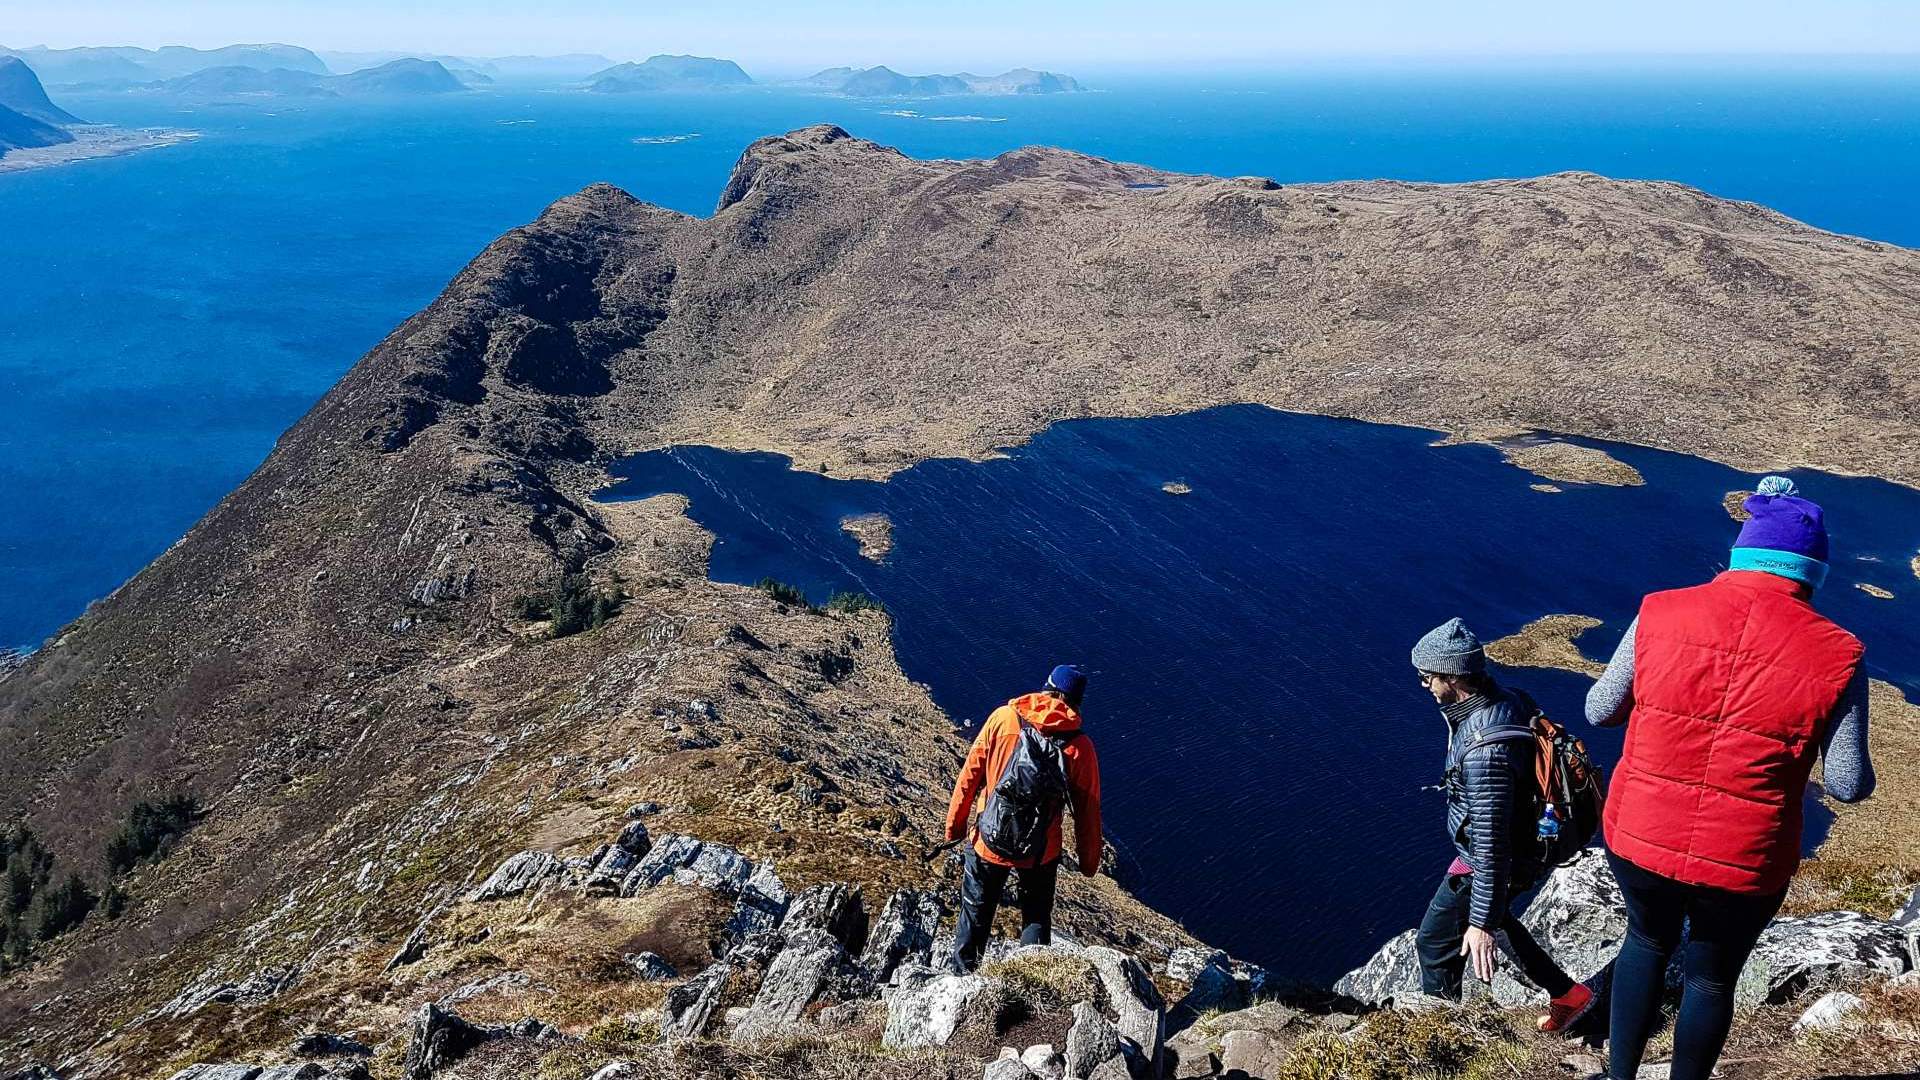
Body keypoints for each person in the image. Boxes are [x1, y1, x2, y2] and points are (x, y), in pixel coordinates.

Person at [1586, 476, 1874, 1080]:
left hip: (1641, 834)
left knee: (1645, 942)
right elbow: (1846, 784)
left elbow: (1599, 710)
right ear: (1811, 572)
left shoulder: (1660, 610)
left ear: (1743, 551)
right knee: (1711, 977)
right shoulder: (1840, 654)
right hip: (1744, 859)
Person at [1411, 618, 1593, 1031]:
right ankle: (1569, 994)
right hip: (1529, 839)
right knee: (1493, 919)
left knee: (1436, 943)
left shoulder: (1485, 755)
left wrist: (1481, 924)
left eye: (1428, 677)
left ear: (1453, 677)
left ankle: (1442, 1038)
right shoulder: (1509, 700)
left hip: (1501, 857)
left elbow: (1492, 844)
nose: (1424, 685)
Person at [943, 664, 1102, 972]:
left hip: (988, 840)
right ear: (1075, 702)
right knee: (1036, 918)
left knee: (975, 916)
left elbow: (970, 776)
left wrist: (955, 827)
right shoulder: (1080, 748)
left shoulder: (1003, 718)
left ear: (1048, 689)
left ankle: (961, 982)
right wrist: (1088, 864)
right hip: (1040, 852)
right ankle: (1031, 988)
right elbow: (1088, 814)